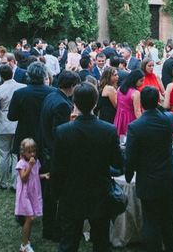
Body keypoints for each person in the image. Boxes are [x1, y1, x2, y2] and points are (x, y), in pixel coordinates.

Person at [52, 83, 124, 252]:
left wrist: (56, 193)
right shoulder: (108, 130)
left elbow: (57, 167)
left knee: (69, 242)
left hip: (72, 192)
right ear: (95, 102)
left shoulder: (63, 131)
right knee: (101, 242)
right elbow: (118, 163)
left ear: (74, 103)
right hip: (98, 192)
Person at [125, 86, 173, 252]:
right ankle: (172, 247)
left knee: (151, 219)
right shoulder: (169, 119)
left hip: (149, 178)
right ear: (158, 101)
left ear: (142, 104)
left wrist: (128, 174)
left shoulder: (135, 127)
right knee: (168, 216)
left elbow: (130, 156)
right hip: (168, 175)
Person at [37, 70, 79, 242]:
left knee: (50, 192)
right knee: (53, 194)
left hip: (45, 147)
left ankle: (50, 225)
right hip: (53, 153)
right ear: (72, 86)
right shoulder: (62, 104)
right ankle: (52, 228)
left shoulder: (51, 96)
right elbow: (60, 134)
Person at [8, 62, 58, 158]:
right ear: (44, 75)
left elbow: (12, 116)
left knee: (25, 168)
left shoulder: (20, 93)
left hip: (25, 134)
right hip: (46, 135)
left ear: (28, 75)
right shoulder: (53, 92)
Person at [0, 64, 25, 190]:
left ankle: (3, 182)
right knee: (16, 153)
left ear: (1, 75)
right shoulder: (22, 87)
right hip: (17, 124)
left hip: (4, 124)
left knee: (4, 154)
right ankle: (16, 183)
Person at [15, 138, 49, 252]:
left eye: (34, 151)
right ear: (23, 152)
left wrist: (43, 175)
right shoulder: (22, 164)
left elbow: (34, 176)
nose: (32, 154)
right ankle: (24, 245)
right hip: (24, 195)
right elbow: (24, 178)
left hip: (33, 193)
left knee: (31, 219)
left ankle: (26, 242)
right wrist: (29, 166)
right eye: (29, 152)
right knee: (29, 218)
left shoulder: (36, 162)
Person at [114, 69, 145, 137]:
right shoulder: (135, 93)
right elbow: (137, 112)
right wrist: (143, 124)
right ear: (135, 80)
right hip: (130, 118)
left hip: (119, 117)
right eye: (141, 81)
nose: (142, 83)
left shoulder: (120, 88)